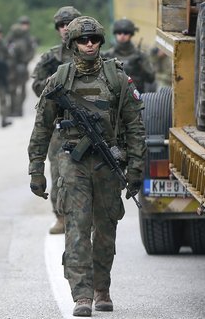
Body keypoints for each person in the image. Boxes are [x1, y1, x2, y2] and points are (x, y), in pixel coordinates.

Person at [27, 16, 145, 316]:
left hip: (108, 163)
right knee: (77, 227)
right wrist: (37, 169)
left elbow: (134, 126)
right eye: (83, 40)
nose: (89, 44)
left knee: (105, 230)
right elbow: (42, 127)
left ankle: (101, 288)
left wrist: (135, 170)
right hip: (72, 161)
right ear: (73, 43)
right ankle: (81, 294)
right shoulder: (60, 79)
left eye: (94, 39)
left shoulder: (117, 77)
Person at [30, 5, 81, 234]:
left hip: (86, 122)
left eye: (68, 24)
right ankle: (60, 216)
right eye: (61, 25)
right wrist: (54, 85)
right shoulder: (51, 57)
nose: (64, 29)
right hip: (59, 124)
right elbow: (36, 85)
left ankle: (86, 217)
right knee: (58, 173)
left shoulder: (91, 51)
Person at [102, 18, 155, 93]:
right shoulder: (107, 55)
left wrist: (142, 66)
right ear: (115, 34)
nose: (122, 35)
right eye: (119, 33)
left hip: (137, 95)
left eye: (126, 33)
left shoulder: (140, 56)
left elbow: (151, 79)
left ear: (131, 34)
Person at [7, 16, 37, 117]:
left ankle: (18, 108)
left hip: (23, 66)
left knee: (22, 88)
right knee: (12, 88)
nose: (24, 26)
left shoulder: (29, 39)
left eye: (26, 24)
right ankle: (13, 108)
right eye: (22, 24)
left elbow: (31, 52)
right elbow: (7, 49)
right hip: (12, 67)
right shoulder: (12, 36)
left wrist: (24, 62)